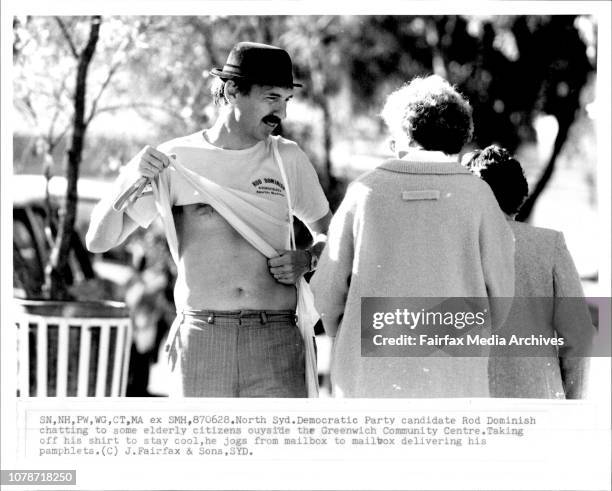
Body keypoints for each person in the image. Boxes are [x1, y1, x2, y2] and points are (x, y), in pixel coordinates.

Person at [86, 42, 331, 397]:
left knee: (280, 452)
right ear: (233, 91)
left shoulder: (287, 158)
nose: (282, 113)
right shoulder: (177, 159)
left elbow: (331, 234)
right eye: (271, 98)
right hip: (202, 337)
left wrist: (306, 258)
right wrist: (128, 175)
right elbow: (99, 240)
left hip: (276, 338)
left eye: (286, 100)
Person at [310, 75, 515, 398]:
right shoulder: (479, 196)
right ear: (460, 133)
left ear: (402, 132)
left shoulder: (363, 192)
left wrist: (352, 336)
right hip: (454, 378)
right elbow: (501, 300)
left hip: (369, 379)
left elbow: (325, 293)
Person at [466, 145, 594, 398]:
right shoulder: (550, 246)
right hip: (538, 401)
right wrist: (570, 401)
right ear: (520, 196)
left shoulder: (456, 247)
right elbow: (580, 336)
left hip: (470, 405)